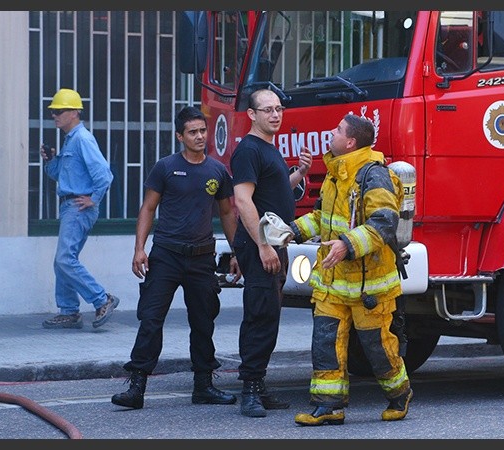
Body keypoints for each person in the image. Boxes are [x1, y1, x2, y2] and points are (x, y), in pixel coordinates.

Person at [111, 106, 242, 410]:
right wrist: (139, 249)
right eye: (193, 132)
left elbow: (226, 213)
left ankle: (204, 386)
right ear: (180, 136)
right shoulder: (165, 167)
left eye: (203, 131)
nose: (199, 137)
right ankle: (136, 387)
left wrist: (238, 252)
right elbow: (147, 208)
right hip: (166, 256)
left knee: (203, 321)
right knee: (151, 319)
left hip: (201, 258)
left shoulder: (217, 172)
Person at [289, 114, 412, 426]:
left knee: (378, 347)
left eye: (338, 130)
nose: (331, 132)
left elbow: (384, 222)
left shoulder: (374, 174)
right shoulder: (335, 173)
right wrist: (291, 230)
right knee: (326, 343)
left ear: (351, 141)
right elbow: (322, 218)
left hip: (369, 284)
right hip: (333, 282)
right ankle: (327, 406)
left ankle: (400, 394)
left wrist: (345, 244)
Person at [230, 89, 312, 417]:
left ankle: (259, 385)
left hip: (276, 244)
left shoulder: (268, 148)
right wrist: (263, 245)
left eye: (279, 109)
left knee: (270, 316)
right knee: (260, 315)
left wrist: (300, 175)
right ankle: (249, 388)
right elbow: (243, 200)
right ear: (252, 115)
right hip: (260, 245)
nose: (275, 115)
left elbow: (274, 192)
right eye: (267, 110)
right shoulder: (248, 150)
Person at [40, 88, 119, 330]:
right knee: (63, 260)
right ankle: (69, 311)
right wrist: (51, 160)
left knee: (65, 258)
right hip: (71, 206)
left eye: (59, 111)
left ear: (74, 112)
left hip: (77, 206)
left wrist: (93, 199)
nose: (55, 115)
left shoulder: (83, 139)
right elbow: (61, 176)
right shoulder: (71, 140)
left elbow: (104, 175)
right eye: (53, 111)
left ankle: (101, 298)